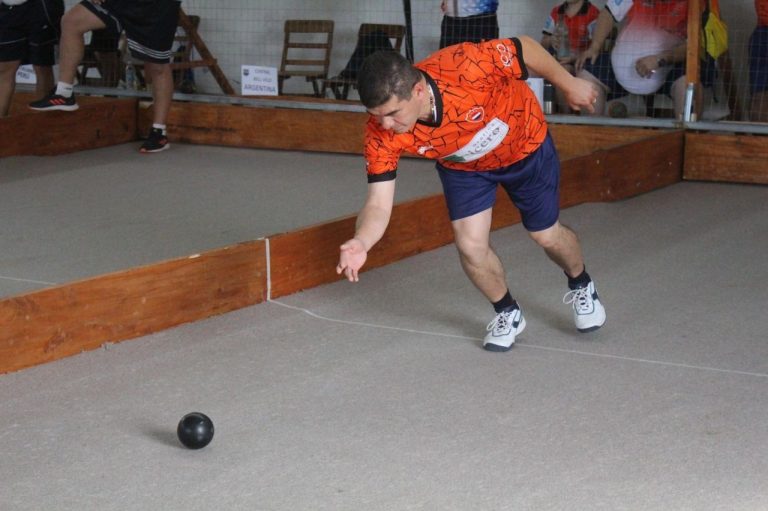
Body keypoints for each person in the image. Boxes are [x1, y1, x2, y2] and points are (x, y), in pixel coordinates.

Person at [336, 37, 607, 352]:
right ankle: (507, 311)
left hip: (525, 146)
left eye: (393, 113)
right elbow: (378, 204)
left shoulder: (465, 66)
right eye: (376, 114)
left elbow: (524, 48)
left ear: (418, 91)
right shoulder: (380, 132)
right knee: (469, 245)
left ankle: (580, 282)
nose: (384, 123)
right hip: (465, 168)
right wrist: (362, 241)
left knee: (545, 234)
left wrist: (568, 81)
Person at [28, 0, 180, 153]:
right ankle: (64, 92)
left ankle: (159, 132)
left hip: (157, 6)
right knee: (71, 21)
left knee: (158, 67)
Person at [574, 0, 713, 119]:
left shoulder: (695, 3)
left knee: (690, 84)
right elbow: (608, 13)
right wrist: (595, 46)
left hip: (669, 67)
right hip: (619, 68)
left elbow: (695, 45)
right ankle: (592, 135)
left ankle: (686, 138)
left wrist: (660, 59)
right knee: (586, 75)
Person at [0, 0, 64, 117]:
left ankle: (41, 120)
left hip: (41, 5)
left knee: (42, 65)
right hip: (9, 7)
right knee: (5, 68)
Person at [540, 0, 600, 113]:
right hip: (561, 61)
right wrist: (552, 40)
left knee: (574, 74)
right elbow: (543, 42)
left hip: (584, 63)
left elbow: (598, 47)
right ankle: (566, 117)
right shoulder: (556, 11)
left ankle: (578, 118)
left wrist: (576, 56)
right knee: (562, 71)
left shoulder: (593, 12)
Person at [750, 0, 768, 122]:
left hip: (762, 32)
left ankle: (758, 139)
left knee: (759, 94)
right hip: (763, 32)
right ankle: (759, 139)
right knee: (759, 95)